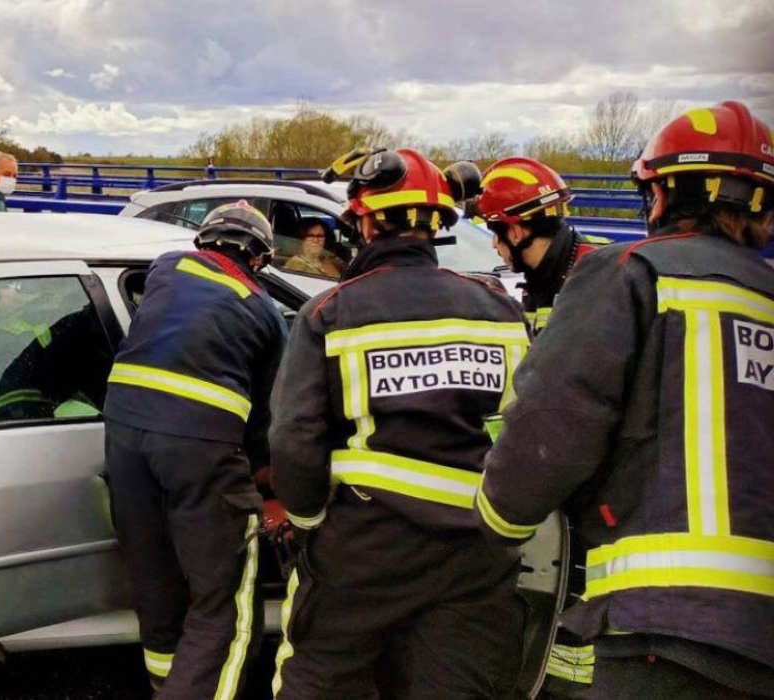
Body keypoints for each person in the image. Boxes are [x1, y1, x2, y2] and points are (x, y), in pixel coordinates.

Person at [474, 100, 774, 699]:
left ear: (659, 195)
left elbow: (550, 422)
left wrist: (499, 519)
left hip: (664, 629)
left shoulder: (630, 272)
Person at [269, 147, 530, 699]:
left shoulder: (332, 312)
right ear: (439, 225)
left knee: (320, 676)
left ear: (364, 221)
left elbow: (294, 437)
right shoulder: (500, 310)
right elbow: (525, 429)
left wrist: (309, 518)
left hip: (365, 543)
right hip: (476, 549)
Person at [102, 200, 286, 699]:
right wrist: (264, 479)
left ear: (202, 242)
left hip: (123, 438)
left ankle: (167, 683)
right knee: (224, 603)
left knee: (155, 582)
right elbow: (268, 421)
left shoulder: (165, 267)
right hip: (200, 451)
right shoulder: (266, 312)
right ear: (261, 259)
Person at [475, 157, 610, 334]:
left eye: (496, 235)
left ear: (516, 234)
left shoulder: (596, 274)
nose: (494, 245)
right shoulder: (541, 275)